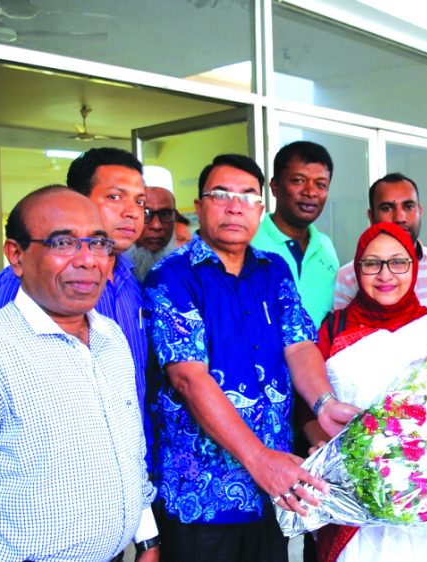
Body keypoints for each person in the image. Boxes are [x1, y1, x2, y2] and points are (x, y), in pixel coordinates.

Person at [0, 186, 158, 561]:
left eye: (98, 244)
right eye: (63, 242)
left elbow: (128, 450)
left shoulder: (111, 338)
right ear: (16, 255)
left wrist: (147, 538)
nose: (88, 260)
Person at [142, 154, 357, 562]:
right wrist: (260, 460)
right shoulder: (172, 277)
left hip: (271, 492)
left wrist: (324, 404)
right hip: (203, 499)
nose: (234, 205)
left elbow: (299, 345)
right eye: (221, 194)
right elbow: (189, 378)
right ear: (199, 205)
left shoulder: (273, 270)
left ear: (261, 208)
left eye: (247, 196)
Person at [311, 222, 427, 562]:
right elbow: (307, 405)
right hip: (352, 503)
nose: (386, 274)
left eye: (398, 262)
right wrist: (327, 448)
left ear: (414, 268)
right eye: (372, 263)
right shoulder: (332, 329)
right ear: (357, 269)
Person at [0, 147, 150, 440]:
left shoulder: (131, 279)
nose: (132, 212)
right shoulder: (24, 279)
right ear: (77, 201)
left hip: (131, 455)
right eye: (114, 196)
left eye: (139, 201)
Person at [333, 173, 427, 320]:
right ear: (371, 216)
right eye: (387, 208)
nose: (400, 218)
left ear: (420, 211)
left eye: (408, 206)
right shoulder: (348, 275)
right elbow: (342, 335)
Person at [252, 141, 339, 328]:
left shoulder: (326, 246)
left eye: (321, 184)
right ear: (275, 187)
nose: (310, 192)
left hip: (318, 357)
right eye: (298, 180)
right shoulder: (249, 242)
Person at [127, 165, 179, 281]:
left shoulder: (187, 277)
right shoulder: (109, 276)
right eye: (145, 213)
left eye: (165, 213)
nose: (156, 226)